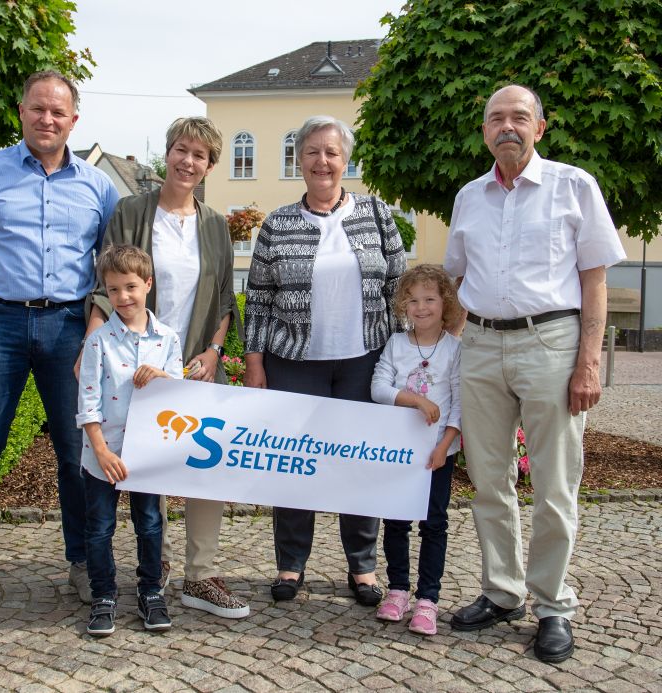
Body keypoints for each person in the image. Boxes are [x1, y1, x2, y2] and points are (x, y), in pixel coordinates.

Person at [444, 84, 626, 662]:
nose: (507, 127)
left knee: (553, 483)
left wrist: (588, 363)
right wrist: (454, 346)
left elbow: (594, 281)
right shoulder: (469, 197)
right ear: (484, 131)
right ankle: (502, 591)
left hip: (551, 342)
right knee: (489, 480)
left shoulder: (575, 186)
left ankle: (552, 604)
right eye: (496, 118)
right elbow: (455, 277)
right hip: (481, 344)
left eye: (519, 117)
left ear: (539, 128)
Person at [0, 70, 119, 612]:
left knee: (77, 449)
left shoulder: (98, 186)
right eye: (38, 109)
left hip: (68, 327)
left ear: (74, 120)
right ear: (21, 111)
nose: (47, 119)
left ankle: (82, 562)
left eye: (58, 112)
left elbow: (108, 263)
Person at [84, 116, 249, 619]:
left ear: (210, 166)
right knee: (141, 464)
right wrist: (92, 344)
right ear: (168, 154)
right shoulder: (133, 210)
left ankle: (201, 575)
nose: (187, 161)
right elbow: (105, 282)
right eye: (181, 149)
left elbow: (224, 298)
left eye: (199, 155)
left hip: (194, 363)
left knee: (205, 470)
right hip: (133, 364)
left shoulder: (215, 224)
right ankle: (155, 569)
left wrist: (214, 351)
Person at [244, 115, 407, 605]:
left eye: (331, 152)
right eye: (312, 152)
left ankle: (362, 568)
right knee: (295, 465)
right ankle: (290, 565)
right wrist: (254, 363)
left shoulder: (377, 215)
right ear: (299, 160)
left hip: (365, 360)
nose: (322, 161)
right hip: (295, 360)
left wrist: (402, 357)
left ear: (345, 159)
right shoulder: (277, 223)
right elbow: (257, 297)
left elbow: (399, 287)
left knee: (360, 462)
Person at [77, 245, 182, 634]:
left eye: (131, 287)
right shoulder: (98, 341)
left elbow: (180, 393)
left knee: (150, 524)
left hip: (146, 454)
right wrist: (101, 450)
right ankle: (103, 594)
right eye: (114, 289)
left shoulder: (167, 339)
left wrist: (161, 377)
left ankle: (151, 591)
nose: (123, 297)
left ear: (148, 285)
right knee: (100, 527)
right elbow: (87, 402)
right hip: (102, 456)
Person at [371, 265, 462, 635]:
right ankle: (397, 590)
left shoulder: (455, 349)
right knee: (395, 522)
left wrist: (444, 445)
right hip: (400, 451)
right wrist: (414, 401)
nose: (421, 307)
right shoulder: (396, 344)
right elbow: (378, 388)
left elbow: (460, 402)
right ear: (402, 306)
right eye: (413, 301)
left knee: (434, 523)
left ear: (445, 304)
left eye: (430, 299)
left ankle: (428, 598)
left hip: (437, 454)